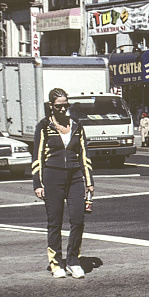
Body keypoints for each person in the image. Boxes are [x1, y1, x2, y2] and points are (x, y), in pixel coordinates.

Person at [32, 88, 95, 279]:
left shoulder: (76, 125)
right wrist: (38, 183)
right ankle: (56, 262)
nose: (62, 109)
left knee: (78, 220)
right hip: (52, 178)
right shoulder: (44, 127)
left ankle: (73, 260)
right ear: (51, 106)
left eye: (65, 106)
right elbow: (37, 156)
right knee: (55, 223)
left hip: (75, 177)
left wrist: (89, 181)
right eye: (59, 106)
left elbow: (84, 154)